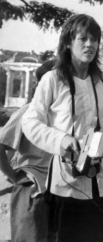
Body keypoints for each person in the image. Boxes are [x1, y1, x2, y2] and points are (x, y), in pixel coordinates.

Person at [22, 14, 103, 242]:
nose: (90, 45)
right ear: (68, 43)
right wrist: (60, 140)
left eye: (94, 39)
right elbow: (30, 122)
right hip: (68, 185)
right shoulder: (52, 80)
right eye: (83, 39)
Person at [0, 59, 56, 242]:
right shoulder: (27, 113)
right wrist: (15, 177)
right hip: (31, 191)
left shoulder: (64, 118)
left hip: (59, 191)